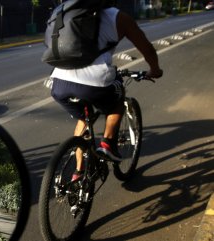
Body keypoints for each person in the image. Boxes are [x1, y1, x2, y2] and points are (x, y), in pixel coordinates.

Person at [49, 0, 163, 181]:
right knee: (117, 97)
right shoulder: (118, 17)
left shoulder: (65, 11)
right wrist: (155, 70)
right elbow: (147, 48)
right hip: (94, 84)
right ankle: (108, 143)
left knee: (83, 119)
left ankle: (78, 173)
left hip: (58, 83)